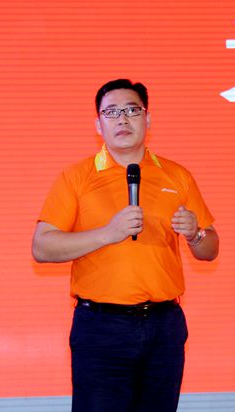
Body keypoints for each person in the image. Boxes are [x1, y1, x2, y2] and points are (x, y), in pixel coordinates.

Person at [32, 79, 219, 412]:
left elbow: (211, 248)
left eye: (132, 110)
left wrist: (195, 235)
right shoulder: (76, 177)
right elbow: (42, 247)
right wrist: (108, 233)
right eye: (111, 112)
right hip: (101, 327)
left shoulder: (177, 176)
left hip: (164, 325)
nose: (122, 119)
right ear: (98, 124)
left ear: (148, 119)